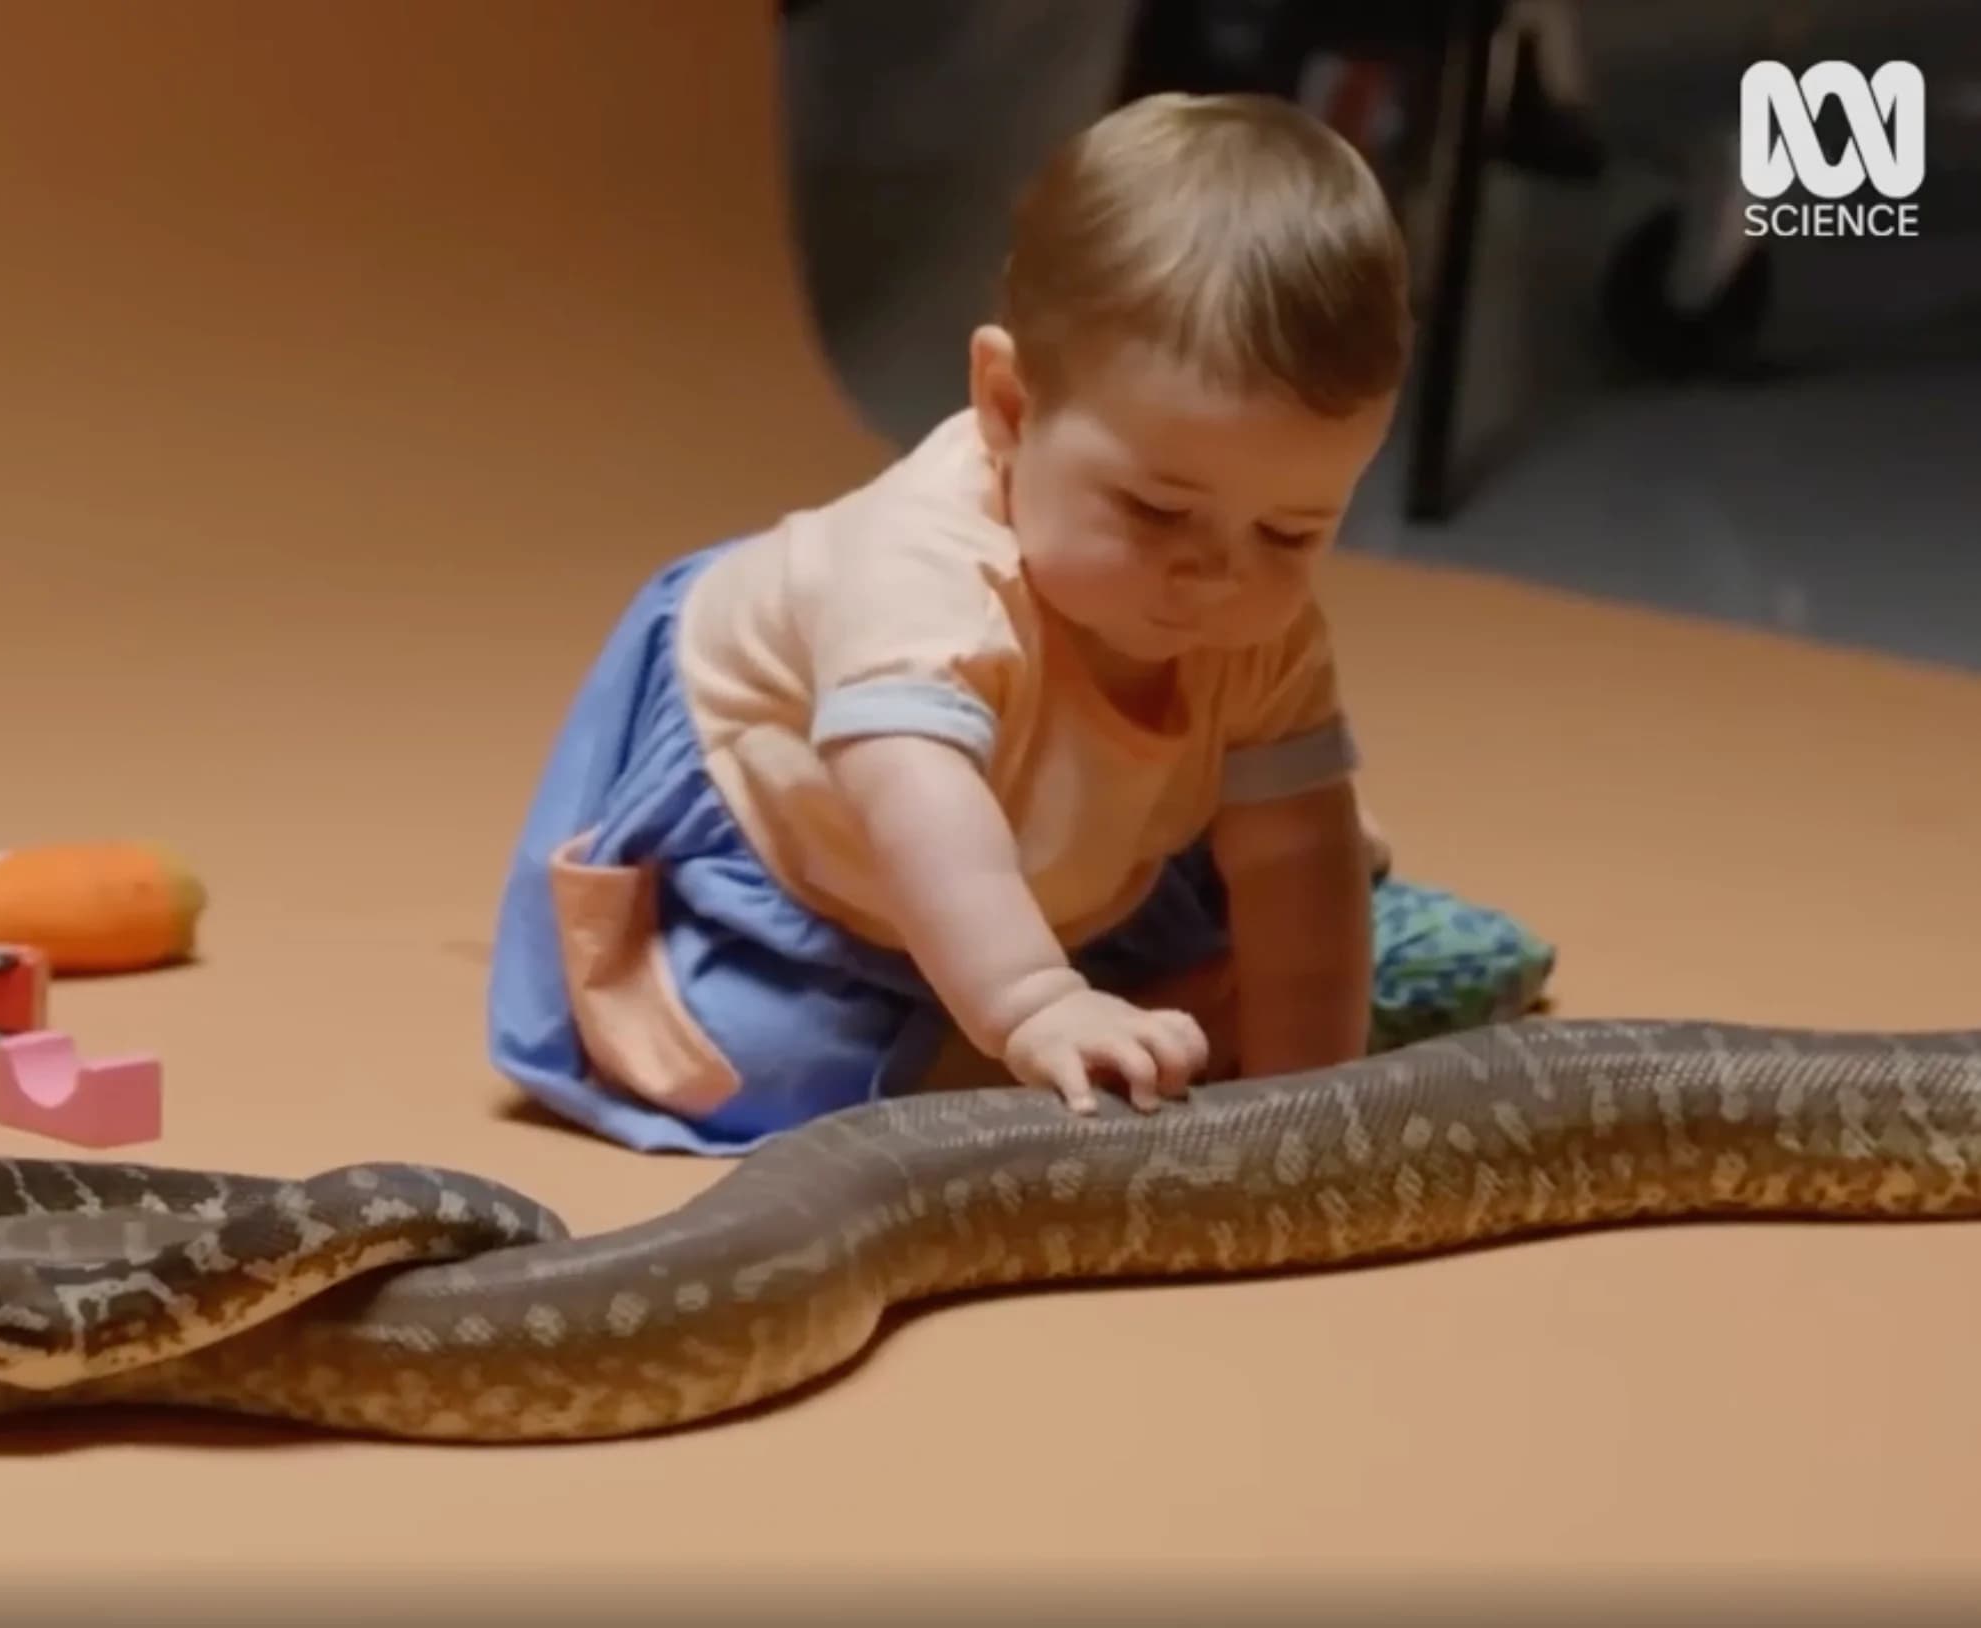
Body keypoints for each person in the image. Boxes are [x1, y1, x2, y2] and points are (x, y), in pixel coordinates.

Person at [487, 90, 1541, 1158]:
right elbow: (919, 806)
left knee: (1322, 931)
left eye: (1292, 529)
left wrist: (1309, 1095)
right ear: (1009, 406)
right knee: (756, 1058)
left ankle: (1118, 1015)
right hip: (815, 863)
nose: (1216, 572)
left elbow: (1292, 842)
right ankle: (1010, 1046)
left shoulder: (1248, 609)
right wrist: (1036, 1002)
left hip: (1059, 852)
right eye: (1157, 510)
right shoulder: (924, 574)